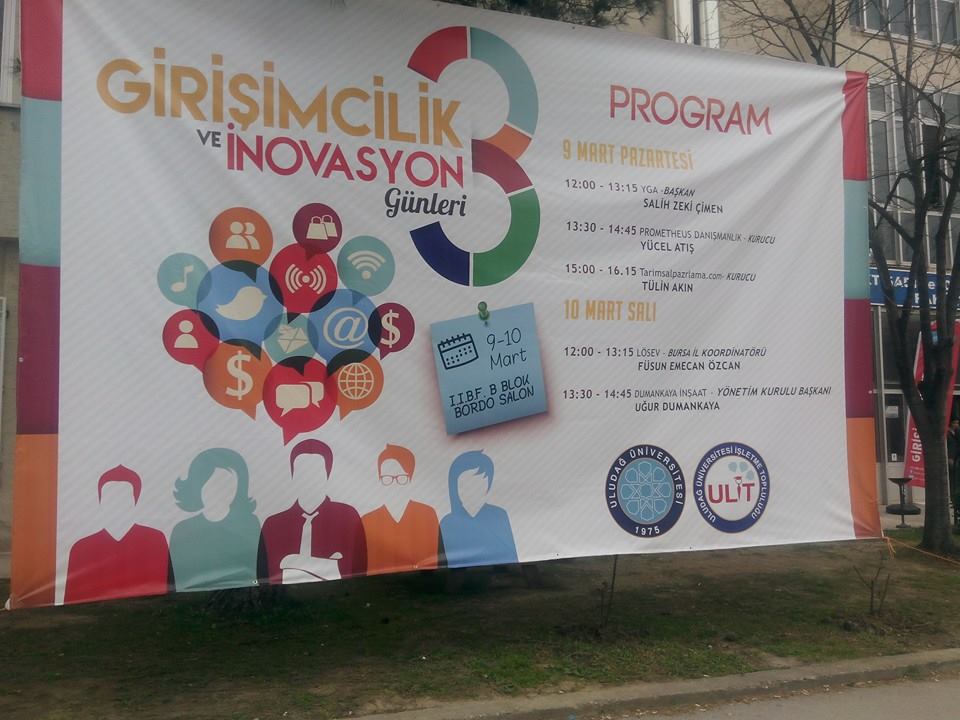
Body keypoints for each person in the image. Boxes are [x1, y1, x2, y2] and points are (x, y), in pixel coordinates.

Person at [258, 439, 366, 584]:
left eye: (316, 472)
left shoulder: (347, 516)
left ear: (327, 474)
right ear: (292, 474)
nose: (309, 478)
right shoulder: (273, 525)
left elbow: (360, 567)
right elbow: (262, 575)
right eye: (302, 472)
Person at [64, 465, 171, 604]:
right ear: (100, 500)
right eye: (110, 498)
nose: (116, 504)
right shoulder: (81, 548)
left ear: (135, 501)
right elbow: (73, 599)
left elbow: (165, 588)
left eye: (124, 498)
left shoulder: (155, 539)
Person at [168, 448, 261, 591]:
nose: (220, 492)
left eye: (229, 485)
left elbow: (256, 572)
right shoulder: (182, 530)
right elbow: (178, 579)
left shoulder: (249, 523)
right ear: (197, 485)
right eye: (212, 484)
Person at [361, 444, 440, 575]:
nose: (394, 484)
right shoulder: (367, 520)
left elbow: (434, 559)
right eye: (387, 478)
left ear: (410, 478)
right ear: (379, 479)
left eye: (401, 477)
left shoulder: (427, 513)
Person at [439, 450, 517, 568]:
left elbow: (510, 553)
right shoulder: (447, 522)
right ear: (454, 487)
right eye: (465, 485)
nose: (472, 490)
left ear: (488, 484)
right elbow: (444, 560)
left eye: (478, 483)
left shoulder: (499, 515)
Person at [949, 419, 960, 526]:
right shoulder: (948, 434)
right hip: (952, 459)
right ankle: (953, 499)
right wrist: (950, 457)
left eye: (957, 423)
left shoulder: (955, 433)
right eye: (955, 423)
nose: (957, 425)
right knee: (952, 481)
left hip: (956, 459)